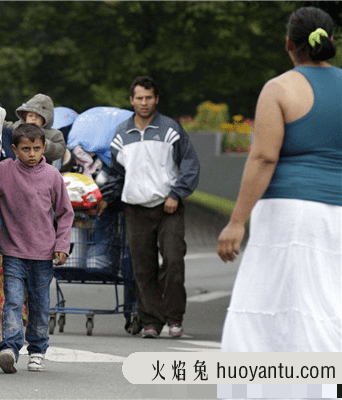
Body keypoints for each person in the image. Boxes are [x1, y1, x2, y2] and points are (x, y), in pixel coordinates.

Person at [217, 7, 341, 352]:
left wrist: (236, 222)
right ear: (330, 41)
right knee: (329, 305)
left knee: (267, 306)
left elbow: (264, 156)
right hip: (338, 214)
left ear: (289, 44)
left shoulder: (280, 88)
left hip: (290, 213)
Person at [96, 76, 200, 339]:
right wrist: (107, 198)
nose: (144, 103)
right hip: (135, 209)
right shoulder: (121, 134)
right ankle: (151, 321)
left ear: (156, 99)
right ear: (131, 100)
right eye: (139, 98)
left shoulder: (171, 130)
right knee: (143, 268)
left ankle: (174, 318)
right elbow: (118, 175)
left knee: (174, 261)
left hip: (169, 207)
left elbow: (189, 165)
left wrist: (176, 194)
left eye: (149, 97)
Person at [0, 123, 74, 373]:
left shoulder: (53, 175)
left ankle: (38, 350)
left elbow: (65, 213)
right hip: (12, 252)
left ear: (45, 148)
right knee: (12, 302)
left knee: (40, 304)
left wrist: (62, 245)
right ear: (14, 149)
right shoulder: (3, 171)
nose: (32, 154)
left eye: (37, 148)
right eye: (25, 149)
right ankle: (9, 347)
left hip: (43, 254)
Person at [4, 93, 67, 164]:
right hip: (17, 165)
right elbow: (7, 126)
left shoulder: (53, 134)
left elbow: (60, 150)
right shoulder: (19, 127)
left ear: (46, 118)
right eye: (30, 115)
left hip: (41, 169)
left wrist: (45, 144)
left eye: (38, 116)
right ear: (25, 117)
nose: (33, 118)